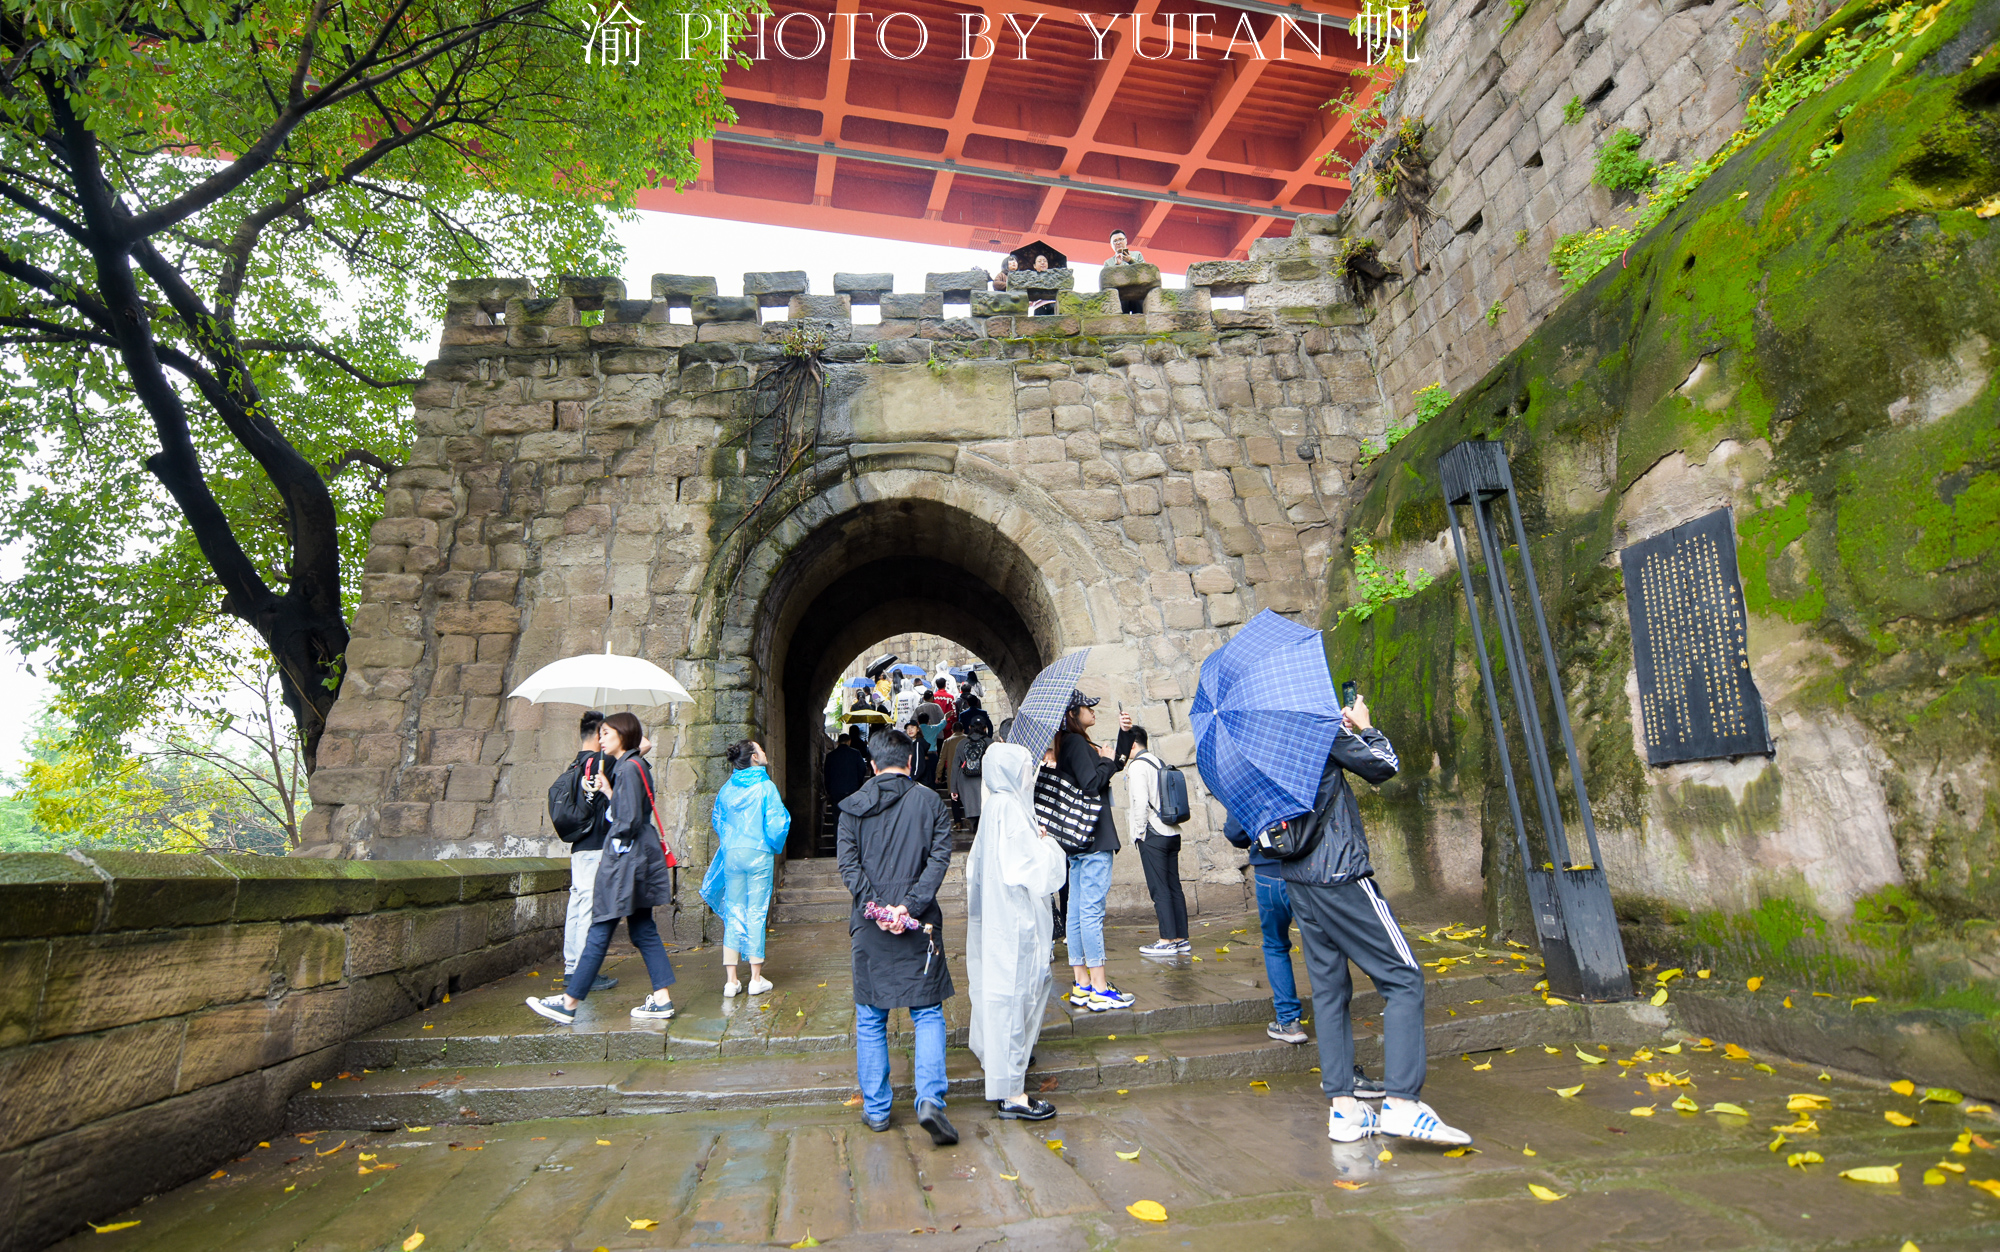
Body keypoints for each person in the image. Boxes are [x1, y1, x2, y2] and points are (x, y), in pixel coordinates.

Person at [1282, 694, 1471, 1146]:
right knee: (1404, 978)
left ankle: (1344, 1111)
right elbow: (1383, 766)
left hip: (1298, 882)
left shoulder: (1255, 749)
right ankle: (1402, 1105)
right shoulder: (1314, 727)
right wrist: (1364, 727)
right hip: (1341, 874)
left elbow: (1236, 830)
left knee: (1329, 993)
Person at [837, 728, 959, 1146]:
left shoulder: (851, 808)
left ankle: (876, 1110)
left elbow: (849, 867)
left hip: (869, 926)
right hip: (919, 924)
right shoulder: (931, 803)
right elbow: (939, 859)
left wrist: (877, 908)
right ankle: (930, 1101)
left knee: (871, 1017)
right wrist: (909, 906)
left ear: (872, 765)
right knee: (927, 1012)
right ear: (910, 762)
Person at [527, 711, 676, 1025]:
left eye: (607, 733)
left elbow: (628, 821)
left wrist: (614, 848)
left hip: (627, 862)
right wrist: (609, 791)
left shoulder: (629, 768)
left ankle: (569, 1003)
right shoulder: (631, 766)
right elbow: (630, 811)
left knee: (600, 929)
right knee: (643, 930)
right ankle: (662, 999)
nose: (601, 738)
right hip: (639, 859)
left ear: (622, 735)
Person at [965, 742, 1067, 1121]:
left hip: (1001, 919)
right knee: (1013, 995)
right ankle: (1012, 1094)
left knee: (1005, 994)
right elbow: (1037, 871)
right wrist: (1048, 843)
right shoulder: (1008, 808)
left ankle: (1002, 1062)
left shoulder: (996, 806)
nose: (1030, 774)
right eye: (1025, 768)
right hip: (1015, 921)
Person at [1056, 692, 1135, 1012]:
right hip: (1094, 840)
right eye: (1088, 707)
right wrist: (1105, 759)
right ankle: (1100, 987)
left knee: (1076, 914)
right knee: (1089, 914)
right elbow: (1091, 784)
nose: (1093, 711)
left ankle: (1082, 983)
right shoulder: (1076, 743)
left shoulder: (1068, 743)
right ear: (1072, 713)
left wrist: (1123, 736)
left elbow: (1111, 766)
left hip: (1079, 842)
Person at [705, 739, 790, 998]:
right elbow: (777, 824)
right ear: (754, 757)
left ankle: (731, 981)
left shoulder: (727, 789)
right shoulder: (766, 786)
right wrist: (773, 845)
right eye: (760, 749)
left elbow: (718, 820)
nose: (764, 752)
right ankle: (755, 978)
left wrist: (731, 842)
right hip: (758, 853)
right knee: (756, 911)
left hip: (733, 854)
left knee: (734, 910)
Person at [555, 710, 617, 994]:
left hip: (579, 846)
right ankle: (583, 972)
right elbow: (643, 746)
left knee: (577, 906)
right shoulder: (602, 762)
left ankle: (572, 967)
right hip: (595, 846)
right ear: (599, 734)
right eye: (605, 732)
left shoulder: (574, 765)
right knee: (589, 908)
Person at [1124, 727, 1188, 958]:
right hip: (1171, 831)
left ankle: (1167, 940)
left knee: (1159, 888)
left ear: (1133, 744)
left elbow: (1140, 801)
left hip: (1153, 834)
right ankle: (1180, 939)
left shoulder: (1137, 766)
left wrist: (1139, 832)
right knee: (1173, 886)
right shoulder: (1157, 761)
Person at [950, 706, 994, 836]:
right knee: (984, 809)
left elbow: (955, 766)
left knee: (971, 809)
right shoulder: (990, 743)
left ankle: (973, 828)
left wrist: (953, 789)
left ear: (969, 727)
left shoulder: (962, 743)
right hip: (984, 781)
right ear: (985, 728)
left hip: (966, 782)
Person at [824, 729, 870, 812]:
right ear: (849, 741)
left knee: (837, 814)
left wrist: (829, 790)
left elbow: (826, 774)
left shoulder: (831, 756)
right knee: (851, 813)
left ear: (838, 742)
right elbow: (862, 769)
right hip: (852, 789)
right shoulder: (856, 754)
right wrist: (858, 784)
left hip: (835, 790)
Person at [1107, 230, 1146, 313]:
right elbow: (1107, 281)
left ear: (1126, 240)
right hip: (1120, 294)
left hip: (1137, 291)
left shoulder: (1137, 255)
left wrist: (1130, 261)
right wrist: (1117, 265)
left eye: (1120, 239)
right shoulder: (1108, 262)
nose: (1118, 242)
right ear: (1111, 245)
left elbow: (1145, 272)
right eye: (1115, 241)